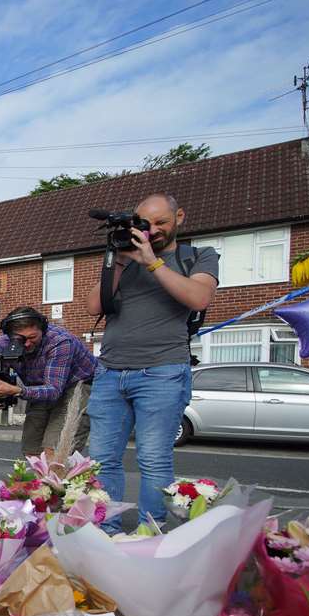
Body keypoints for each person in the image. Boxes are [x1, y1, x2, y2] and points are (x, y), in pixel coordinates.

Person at [86, 193, 218, 528]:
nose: (155, 230)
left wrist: (151, 262)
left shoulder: (198, 255)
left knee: (154, 460)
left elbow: (199, 297)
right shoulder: (123, 260)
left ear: (180, 217)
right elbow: (93, 307)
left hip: (162, 372)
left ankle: (150, 532)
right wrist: (117, 260)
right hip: (110, 372)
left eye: (162, 222)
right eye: (147, 224)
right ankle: (107, 530)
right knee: (102, 461)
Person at [0, 307, 97, 458]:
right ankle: (40, 482)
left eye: (33, 337)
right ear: (9, 336)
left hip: (76, 387)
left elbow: (54, 390)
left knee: (56, 452)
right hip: (38, 387)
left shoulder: (60, 341)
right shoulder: (2, 345)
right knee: (32, 452)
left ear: (42, 330)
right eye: (20, 339)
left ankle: (58, 480)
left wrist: (18, 391)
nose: (28, 343)